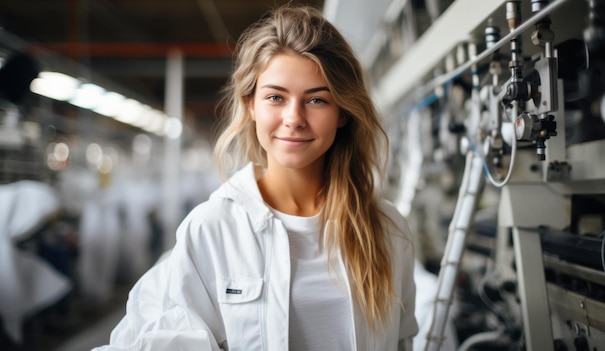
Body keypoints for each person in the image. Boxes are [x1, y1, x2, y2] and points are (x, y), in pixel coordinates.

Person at [93, 5, 417, 351]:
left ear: (342, 113)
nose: (294, 118)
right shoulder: (212, 228)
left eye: (317, 100)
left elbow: (400, 343)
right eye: (276, 97)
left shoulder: (386, 229)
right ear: (251, 105)